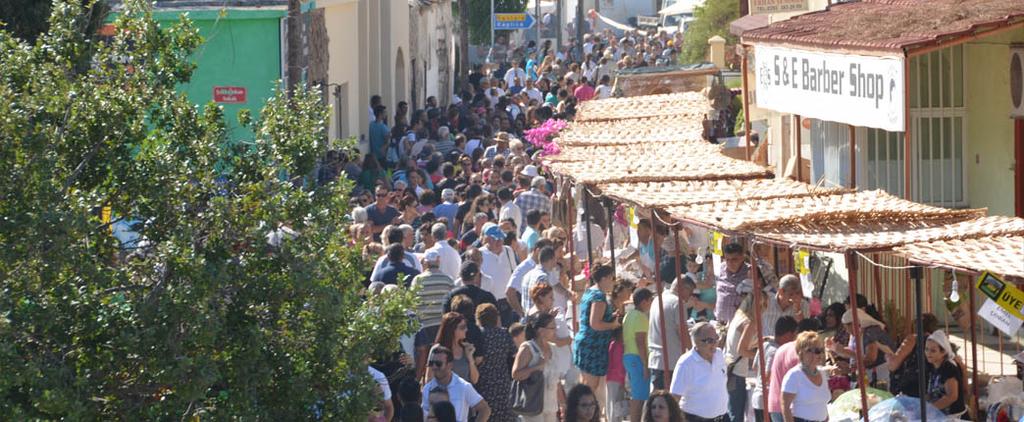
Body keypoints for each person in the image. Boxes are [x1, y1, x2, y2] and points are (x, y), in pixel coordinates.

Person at [573, 264, 621, 406]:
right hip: (592, 347)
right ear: (604, 278)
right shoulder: (599, 296)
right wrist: (613, 325)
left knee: (586, 386)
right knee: (589, 389)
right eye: (612, 278)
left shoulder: (590, 292)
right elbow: (595, 324)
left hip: (588, 344)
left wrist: (611, 316)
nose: (613, 282)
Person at [670, 322, 728, 422]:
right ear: (696, 342)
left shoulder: (719, 355)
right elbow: (674, 398)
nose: (714, 343)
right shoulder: (685, 363)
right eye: (709, 340)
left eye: (716, 338)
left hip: (722, 418)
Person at [826, 308, 896, 388]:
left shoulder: (871, 332)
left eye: (847, 327)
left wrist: (850, 366)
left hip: (881, 375)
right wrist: (836, 349)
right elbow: (854, 351)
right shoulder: (855, 334)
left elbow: (870, 359)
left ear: (855, 324)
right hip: (868, 375)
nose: (847, 331)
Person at [648, 275, 696, 390]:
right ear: (684, 288)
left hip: (656, 359)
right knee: (667, 402)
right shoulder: (677, 303)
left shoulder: (658, 299)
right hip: (670, 361)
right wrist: (692, 353)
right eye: (690, 292)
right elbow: (682, 332)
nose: (689, 297)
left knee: (656, 400)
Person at [511, 312, 560, 422]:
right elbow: (516, 374)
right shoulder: (528, 348)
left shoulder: (554, 348)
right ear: (541, 331)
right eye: (552, 328)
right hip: (533, 406)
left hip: (551, 407)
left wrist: (563, 403)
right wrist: (537, 366)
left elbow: (556, 382)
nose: (555, 330)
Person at [421, 346, 491, 422]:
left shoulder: (463, 387)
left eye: (438, 364)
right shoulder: (427, 388)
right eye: (431, 363)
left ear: (450, 365)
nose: (434, 367)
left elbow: (485, 410)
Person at [752, 316, 799, 422]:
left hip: (757, 398)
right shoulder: (776, 351)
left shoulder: (764, 345)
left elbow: (754, 367)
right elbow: (767, 376)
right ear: (789, 334)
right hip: (766, 400)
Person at [474, 304, 516, 422]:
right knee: (505, 414)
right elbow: (514, 353)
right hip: (502, 380)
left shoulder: (479, 335)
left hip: (484, 382)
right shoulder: (504, 334)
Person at [781, 332, 830, 422]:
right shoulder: (794, 375)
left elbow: (822, 404)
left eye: (819, 350)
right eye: (810, 350)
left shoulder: (822, 373)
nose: (817, 354)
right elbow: (785, 407)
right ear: (801, 353)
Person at [624, 287, 654, 422]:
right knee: (640, 397)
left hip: (629, 357)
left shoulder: (628, 315)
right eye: (650, 300)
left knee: (637, 395)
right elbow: (640, 342)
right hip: (637, 358)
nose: (651, 303)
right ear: (643, 302)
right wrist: (646, 365)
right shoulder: (641, 317)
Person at [480, 225, 518, 326]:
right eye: (495, 239)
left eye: (501, 238)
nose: (499, 242)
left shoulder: (508, 251)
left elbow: (514, 272)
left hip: (508, 302)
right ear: (487, 239)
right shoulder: (480, 254)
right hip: (489, 303)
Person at [430, 312, 479, 385]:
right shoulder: (437, 350)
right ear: (452, 330)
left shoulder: (465, 348)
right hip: (444, 394)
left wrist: (470, 358)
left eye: (466, 326)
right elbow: (429, 379)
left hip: (464, 394)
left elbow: (475, 380)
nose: (466, 329)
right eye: (462, 327)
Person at [923, 330, 965, 416]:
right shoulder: (932, 365)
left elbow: (952, 397)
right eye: (926, 349)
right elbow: (931, 394)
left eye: (933, 351)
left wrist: (930, 409)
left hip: (952, 415)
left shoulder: (948, 367)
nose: (928, 353)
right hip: (938, 412)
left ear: (943, 352)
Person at [715, 242, 750, 324]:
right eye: (727, 260)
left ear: (742, 258)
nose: (730, 263)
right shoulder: (720, 269)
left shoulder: (750, 272)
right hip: (721, 322)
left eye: (734, 259)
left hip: (740, 324)